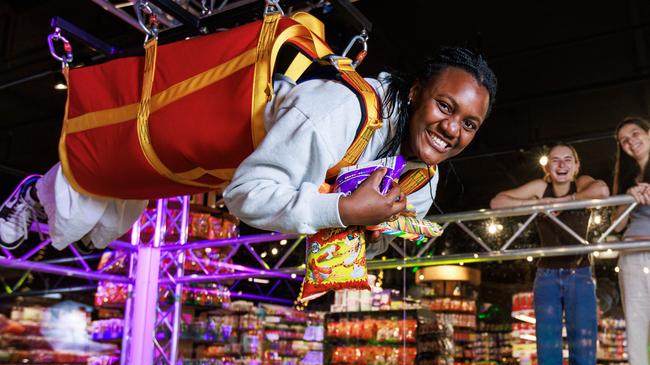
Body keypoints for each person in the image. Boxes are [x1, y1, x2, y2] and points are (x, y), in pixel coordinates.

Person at [0, 46, 497, 258]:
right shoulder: (334, 113)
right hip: (211, 135)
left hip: (220, 171)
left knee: (110, 211)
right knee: (112, 161)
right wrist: (341, 210)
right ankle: (35, 195)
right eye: (444, 106)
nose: (451, 129)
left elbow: (369, 238)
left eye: (469, 124)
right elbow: (245, 195)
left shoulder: (423, 180)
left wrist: (367, 239)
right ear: (415, 94)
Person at [490, 143, 610, 365]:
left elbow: (602, 190)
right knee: (548, 343)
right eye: (555, 160)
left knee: (584, 341)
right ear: (547, 167)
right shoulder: (539, 187)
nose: (562, 165)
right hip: (546, 275)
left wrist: (562, 202)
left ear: (577, 166)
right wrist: (538, 203)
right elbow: (497, 202)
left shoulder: (583, 184)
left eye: (568, 160)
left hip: (580, 272)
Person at [612, 116, 650, 365]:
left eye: (635, 134)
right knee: (636, 328)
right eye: (624, 140)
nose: (630, 142)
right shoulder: (626, 178)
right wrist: (628, 198)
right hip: (631, 253)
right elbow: (616, 225)